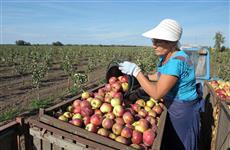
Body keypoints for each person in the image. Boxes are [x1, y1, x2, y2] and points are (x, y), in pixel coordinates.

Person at [119, 19, 204, 150]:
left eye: (158, 42)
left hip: (183, 111)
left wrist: (137, 73)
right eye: (153, 41)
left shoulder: (177, 61)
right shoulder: (168, 57)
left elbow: (157, 93)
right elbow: (162, 76)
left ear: (171, 43)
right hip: (174, 106)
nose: (154, 45)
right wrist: (146, 77)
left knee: (181, 144)